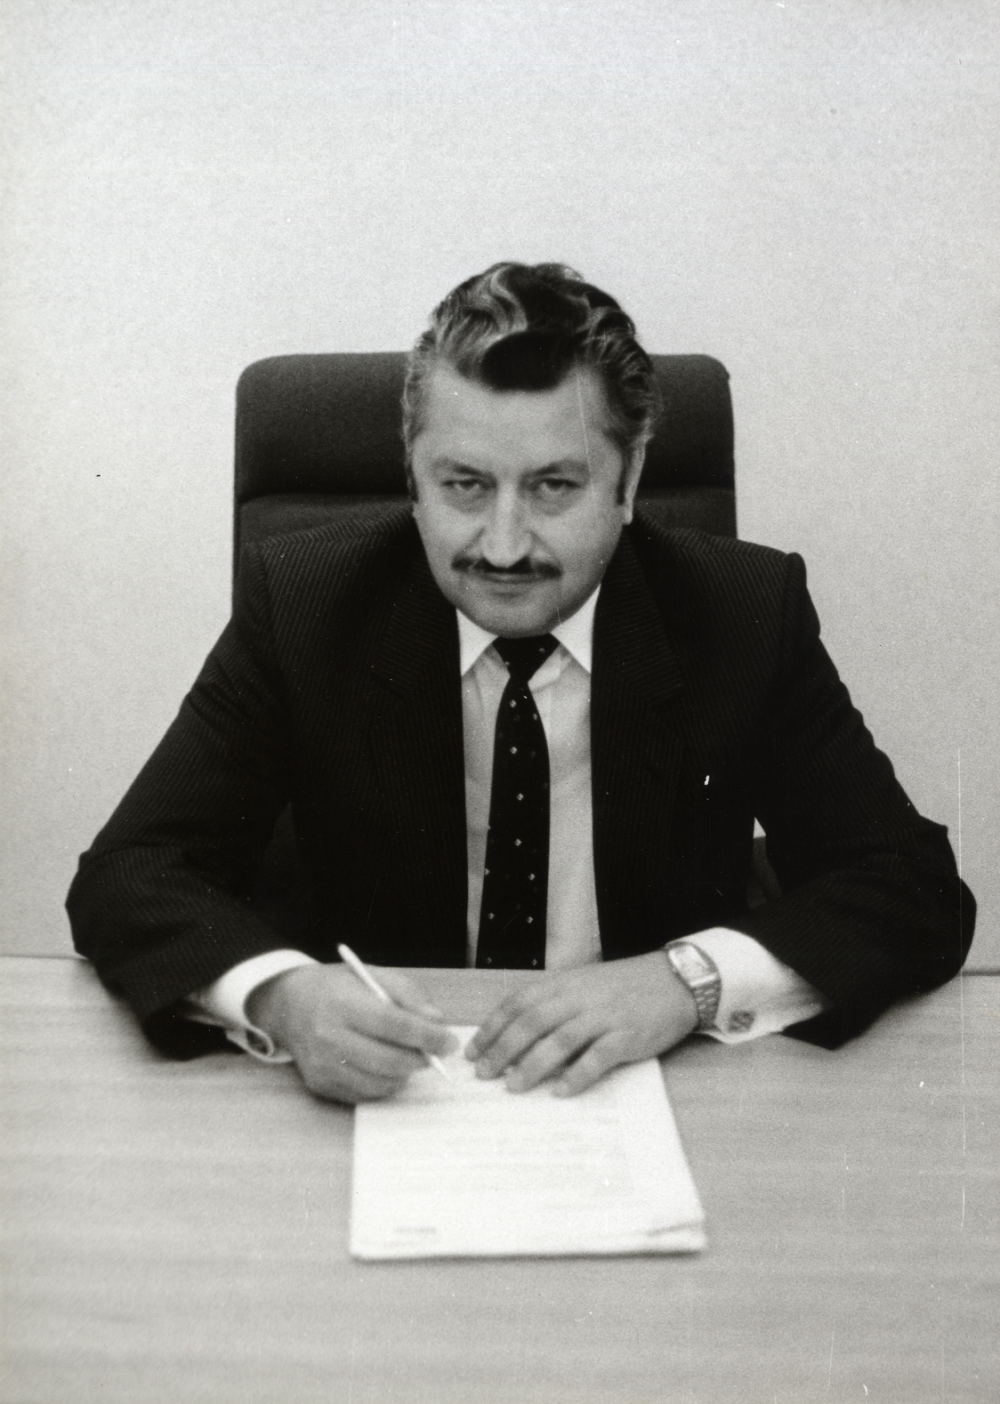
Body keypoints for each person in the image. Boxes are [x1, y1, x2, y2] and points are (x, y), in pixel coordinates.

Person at [66, 262, 974, 1105]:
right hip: (388, 1099)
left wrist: (685, 983)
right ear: (411, 475)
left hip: (656, 1093)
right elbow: (132, 872)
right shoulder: (307, 607)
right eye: (464, 485)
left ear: (630, 479)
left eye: (553, 487)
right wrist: (282, 998)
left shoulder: (742, 614)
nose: (503, 546)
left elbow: (912, 884)